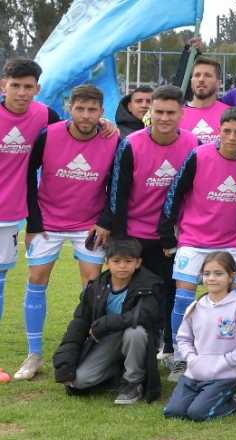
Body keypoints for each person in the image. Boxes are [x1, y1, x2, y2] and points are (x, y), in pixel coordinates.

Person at [18, 85, 119, 381]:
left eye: (92, 110)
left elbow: (115, 184)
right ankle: (34, 354)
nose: (86, 116)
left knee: (92, 285)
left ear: (102, 112)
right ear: (69, 108)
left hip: (88, 225)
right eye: (80, 109)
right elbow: (27, 177)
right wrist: (34, 222)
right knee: (37, 278)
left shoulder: (111, 139)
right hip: (47, 222)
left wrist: (104, 220)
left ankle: (89, 348)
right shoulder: (49, 135)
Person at [97, 84, 200, 365]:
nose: (164, 118)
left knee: (170, 292)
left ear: (182, 114)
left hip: (172, 236)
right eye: (159, 112)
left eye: (171, 113)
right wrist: (119, 237)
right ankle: (126, 348)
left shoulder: (193, 144)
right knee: (132, 294)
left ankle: (169, 347)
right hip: (135, 234)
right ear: (149, 112)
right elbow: (117, 190)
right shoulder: (132, 143)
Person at [159, 107, 236, 381]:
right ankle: (181, 356)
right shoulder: (199, 155)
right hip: (195, 238)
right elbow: (174, 193)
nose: (232, 137)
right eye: (226, 131)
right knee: (184, 297)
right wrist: (167, 233)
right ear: (219, 131)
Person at [52, 238, 164, 404]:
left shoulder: (150, 284)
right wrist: (65, 362)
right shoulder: (96, 286)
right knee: (79, 382)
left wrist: (106, 323)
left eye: (128, 261)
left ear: (138, 263)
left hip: (138, 338)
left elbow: (143, 316)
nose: (122, 266)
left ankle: (133, 382)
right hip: (106, 340)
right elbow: (79, 323)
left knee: (135, 331)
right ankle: (115, 372)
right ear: (107, 262)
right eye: (116, 261)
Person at [0, 58, 62, 339]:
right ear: (4, 85)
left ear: (37, 88)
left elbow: (72, 135)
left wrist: (104, 125)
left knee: (1, 283)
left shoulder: (45, 115)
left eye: (28, 87)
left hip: (9, 216)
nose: (22, 92)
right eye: (15, 86)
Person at [163, 252, 236, 421]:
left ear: (231, 276)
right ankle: (203, 396)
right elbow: (184, 338)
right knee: (173, 411)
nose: (212, 278)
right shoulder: (195, 307)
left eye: (218, 273)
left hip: (224, 375)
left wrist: (227, 361)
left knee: (197, 413)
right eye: (207, 274)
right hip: (194, 372)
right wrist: (191, 358)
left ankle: (232, 401)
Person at [180, 57, 230, 145]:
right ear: (191, 82)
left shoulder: (229, 114)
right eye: (197, 75)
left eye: (207, 75)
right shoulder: (177, 114)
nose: (201, 79)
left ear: (218, 83)